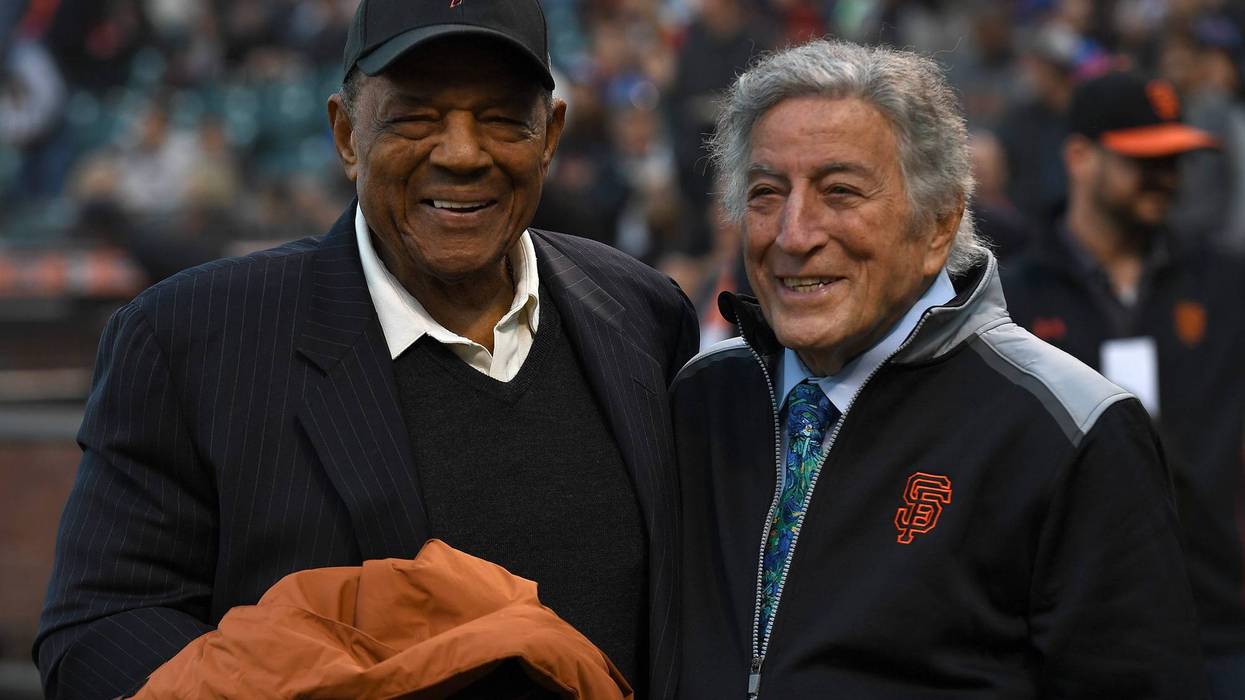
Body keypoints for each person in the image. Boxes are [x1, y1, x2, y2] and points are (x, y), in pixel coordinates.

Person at [34, 2, 698, 698]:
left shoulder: (640, 313)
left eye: (501, 117)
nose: (463, 153)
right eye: (416, 116)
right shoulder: (189, 339)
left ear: (550, 135)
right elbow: (96, 638)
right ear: (347, 135)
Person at [671, 40, 1205, 697]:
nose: (793, 233)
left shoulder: (1068, 427)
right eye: (764, 193)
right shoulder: (702, 395)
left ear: (937, 223)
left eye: (838, 192)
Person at [1003, 70, 1245, 699]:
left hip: (1219, 622)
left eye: (1174, 159)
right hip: (1066, 631)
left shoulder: (1226, 285)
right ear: (1080, 157)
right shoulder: (1012, 296)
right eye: (1145, 159)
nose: (1165, 176)